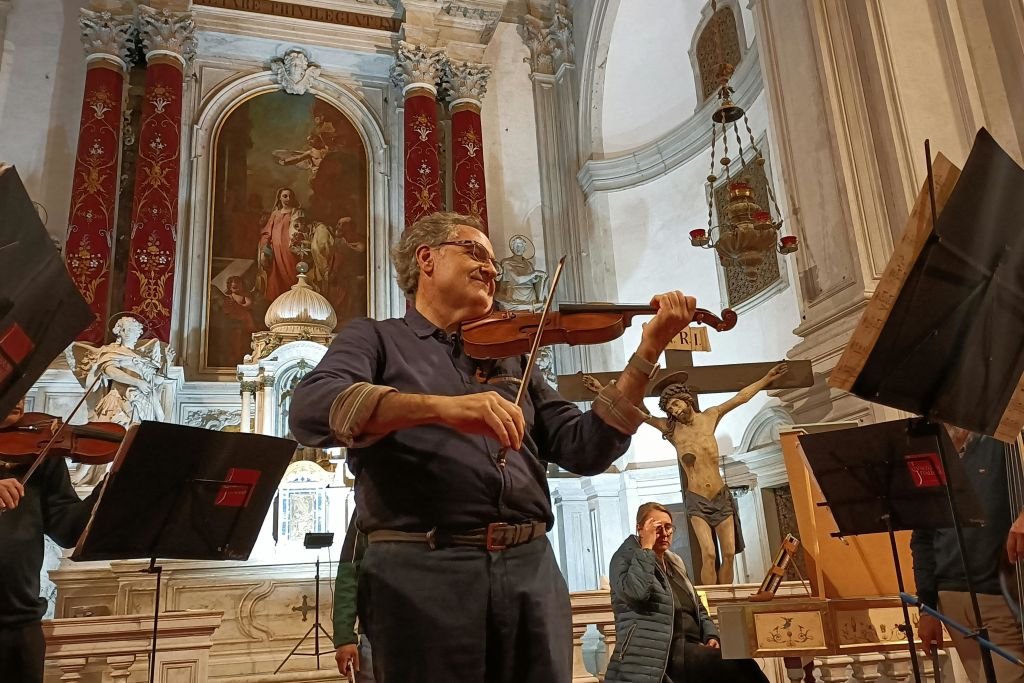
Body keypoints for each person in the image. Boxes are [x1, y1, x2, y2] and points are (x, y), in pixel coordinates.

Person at [288, 211, 697, 682]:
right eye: (475, 252)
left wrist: (646, 353)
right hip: (424, 572)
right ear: (427, 258)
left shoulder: (512, 355)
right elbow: (311, 409)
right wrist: (443, 408)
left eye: (493, 261)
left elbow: (584, 448)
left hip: (531, 571)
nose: (492, 268)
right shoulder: (377, 339)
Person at [644, 363, 787, 584]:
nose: (675, 410)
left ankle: (726, 603)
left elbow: (740, 398)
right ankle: (710, 608)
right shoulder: (671, 431)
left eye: (676, 404)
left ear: (686, 399)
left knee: (729, 554)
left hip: (720, 495)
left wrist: (767, 378)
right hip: (698, 500)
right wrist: (603, 391)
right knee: (709, 554)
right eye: (670, 409)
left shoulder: (710, 417)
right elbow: (639, 414)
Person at [605, 502, 768, 683]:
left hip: (690, 648)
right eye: (658, 528)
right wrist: (647, 549)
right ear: (640, 529)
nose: (665, 533)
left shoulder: (675, 562)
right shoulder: (625, 556)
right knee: (739, 666)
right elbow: (636, 593)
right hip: (659, 653)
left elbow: (698, 606)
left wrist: (711, 635)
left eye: (669, 527)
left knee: (741, 662)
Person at [0, 399, 104, 682]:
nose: (20, 398)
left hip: (21, 627)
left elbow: (67, 530)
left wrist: (106, 489)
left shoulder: (41, 450)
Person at [911, 429, 1024, 683]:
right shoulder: (932, 456)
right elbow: (922, 539)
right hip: (950, 602)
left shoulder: (1003, 442)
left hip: (999, 598)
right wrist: (927, 609)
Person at [258, 187, 305, 302]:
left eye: (290, 196)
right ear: (279, 198)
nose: (288, 199)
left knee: (291, 274)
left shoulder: (296, 212)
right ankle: (278, 303)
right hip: (275, 251)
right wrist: (265, 250)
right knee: (275, 277)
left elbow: (300, 229)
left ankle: (293, 301)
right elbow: (267, 233)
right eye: (285, 196)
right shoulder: (275, 214)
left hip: (289, 249)